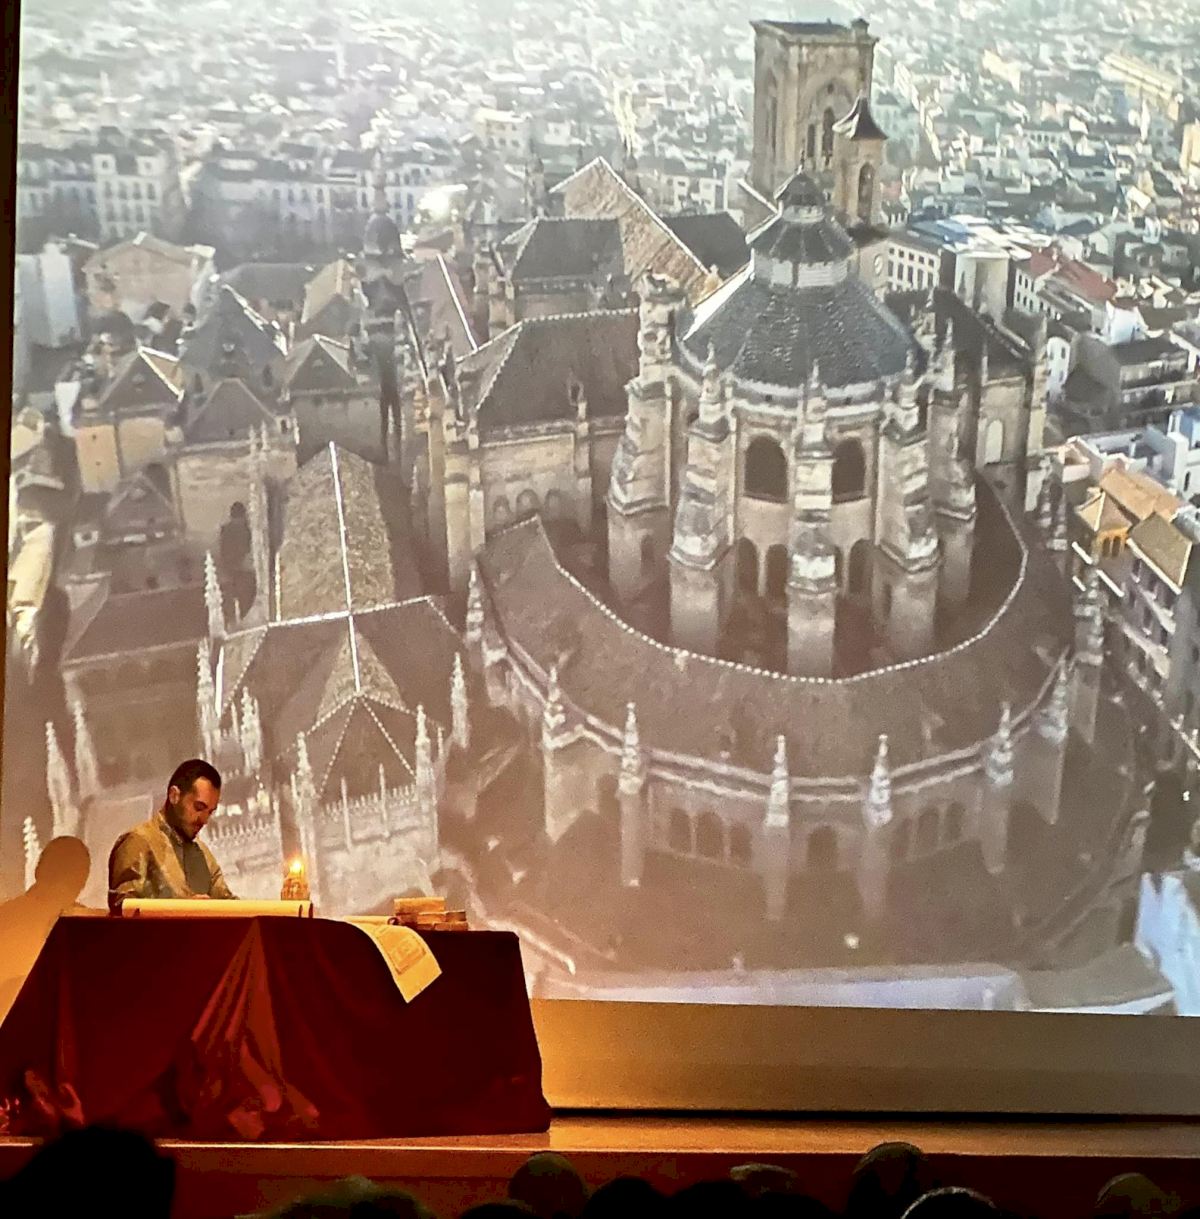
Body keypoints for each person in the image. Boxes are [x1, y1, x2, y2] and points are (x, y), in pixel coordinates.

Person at [107, 759, 235, 912]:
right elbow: (123, 908)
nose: (204, 820)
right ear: (174, 795)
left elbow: (229, 904)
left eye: (210, 812)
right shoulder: (138, 841)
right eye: (199, 807)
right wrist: (182, 910)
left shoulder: (202, 853)